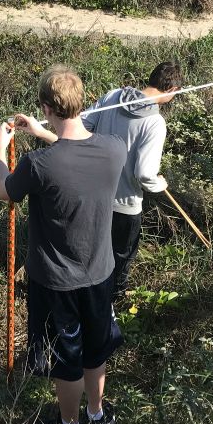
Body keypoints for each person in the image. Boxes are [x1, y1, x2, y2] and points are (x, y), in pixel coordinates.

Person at [0, 65, 125, 424]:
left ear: (47, 106)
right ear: (81, 103)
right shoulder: (114, 148)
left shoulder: (38, 165)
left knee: (66, 358)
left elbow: (5, 190)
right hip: (101, 273)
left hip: (56, 282)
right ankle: (97, 417)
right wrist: (40, 130)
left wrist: (0, 150)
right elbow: (76, 145)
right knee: (95, 348)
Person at [80, 61, 182, 303]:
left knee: (91, 251)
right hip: (124, 205)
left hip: (92, 195)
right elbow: (145, 173)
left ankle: (85, 294)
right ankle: (112, 303)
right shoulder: (154, 123)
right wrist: (160, 184)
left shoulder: (113, 96)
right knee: (120, 255)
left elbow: (82, 124)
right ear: (173, 90)